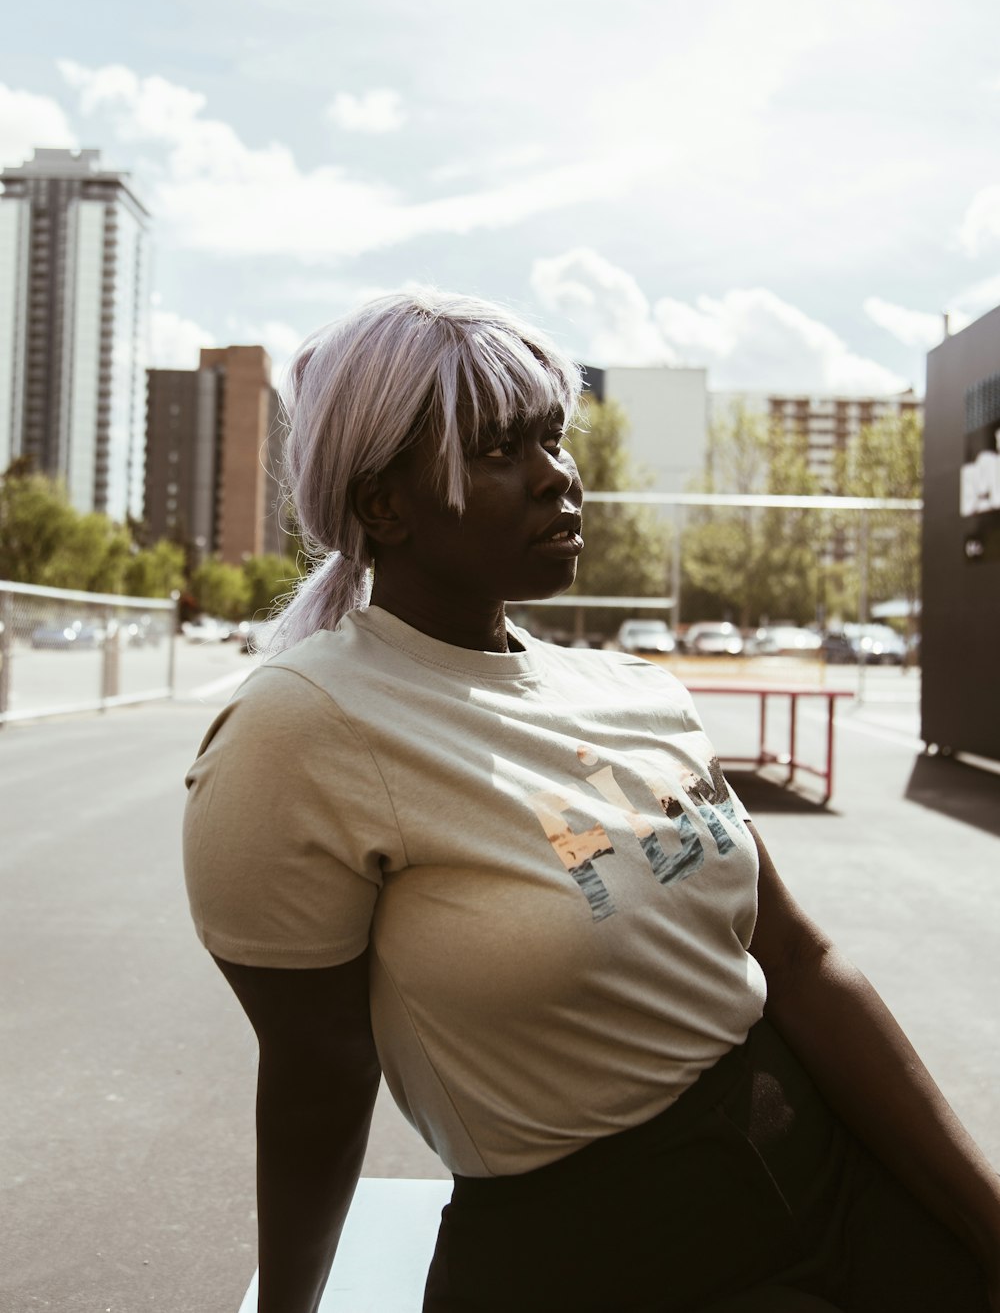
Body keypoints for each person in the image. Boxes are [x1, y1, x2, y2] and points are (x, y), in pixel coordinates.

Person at [183, 289, 1000, 1313]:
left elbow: (794, 959)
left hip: (833, 1185)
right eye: (496, 450)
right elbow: (317, 1076)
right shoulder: (300, 728)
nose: (555, 478)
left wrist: (983, 1222)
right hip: (592, 1254)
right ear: (382, 502)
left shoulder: (633, 688)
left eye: (552, 438)